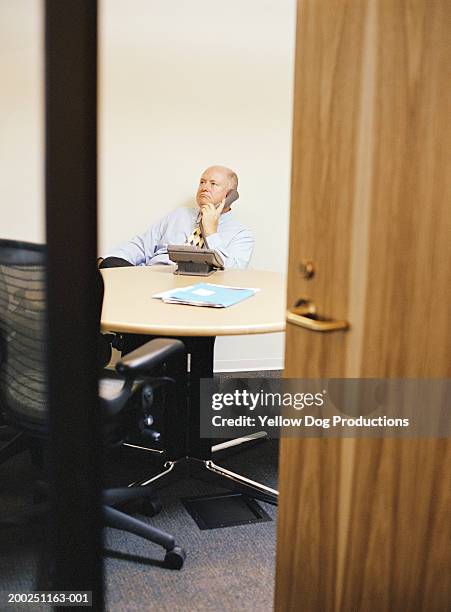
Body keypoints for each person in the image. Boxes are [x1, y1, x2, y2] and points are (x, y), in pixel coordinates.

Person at [99, 166, 254, 270]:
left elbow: (233, 273)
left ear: (230, 195)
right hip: (152, 276)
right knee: (109, 264)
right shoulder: (179, 215)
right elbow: (141, 246)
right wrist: (105, 259)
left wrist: (211, 232)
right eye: (202, 182)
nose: (204, 188)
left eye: (213, 184)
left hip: (197, 288)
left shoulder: (241, 234)